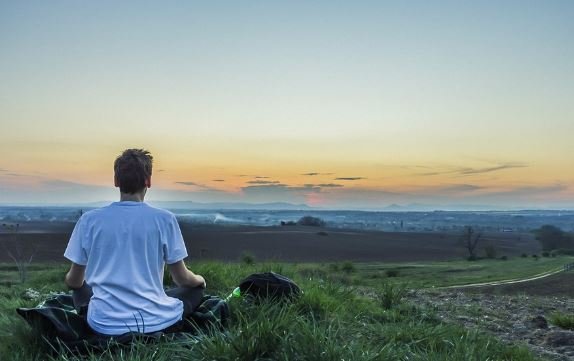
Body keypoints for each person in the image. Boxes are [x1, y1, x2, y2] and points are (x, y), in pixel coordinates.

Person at [63, 148, 206, 336]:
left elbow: (73, 281)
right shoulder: (165, 219)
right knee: (195, 291)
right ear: (148, 181)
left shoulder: (89, 220)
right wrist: (200, 280)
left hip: (103, 324)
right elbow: (182, 279)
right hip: (155, 321)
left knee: (81, 288)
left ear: (116, 181)